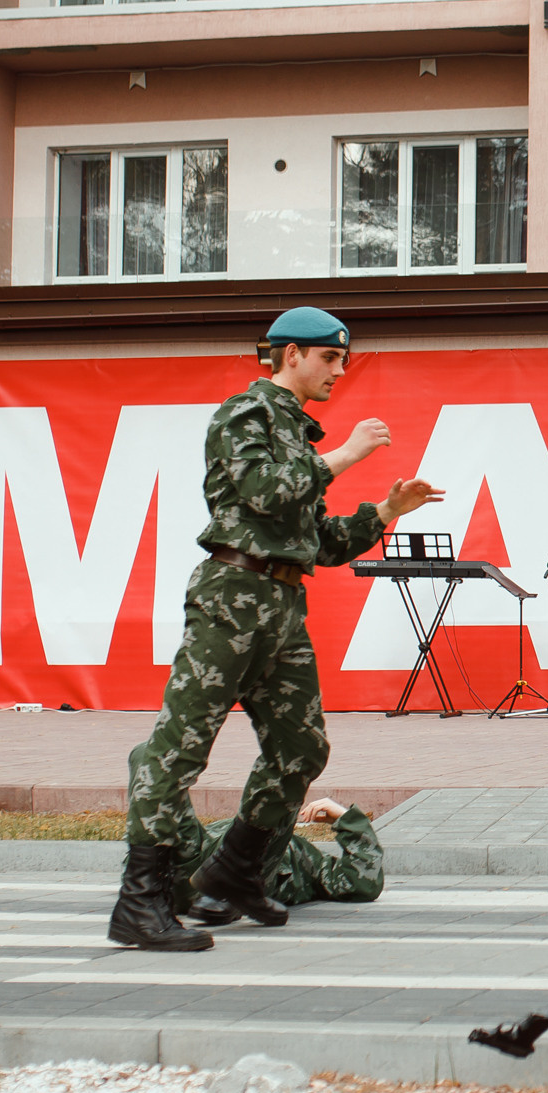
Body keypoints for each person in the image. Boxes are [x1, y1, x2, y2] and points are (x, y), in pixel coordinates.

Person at [107, 306, 441, 953]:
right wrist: (345, 456)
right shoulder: (244, 416)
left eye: (343, 359)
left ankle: (234, 874)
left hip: (283, 603)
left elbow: (321, 542)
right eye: (329, 358)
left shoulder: (297, 434)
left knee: (302, 748)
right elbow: (263, 490)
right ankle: (139, 901)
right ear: (291, 355)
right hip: (232, 597)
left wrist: (384, 511)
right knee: (178, 749)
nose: (339, 371)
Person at [174, 796, 385, 925]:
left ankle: (226, 891)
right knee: (149, 758)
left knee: (281, 801)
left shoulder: (313, 863)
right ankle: (144, 891)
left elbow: (363, 882)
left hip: (238, 880)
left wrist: (346, 818)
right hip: (190, 866)